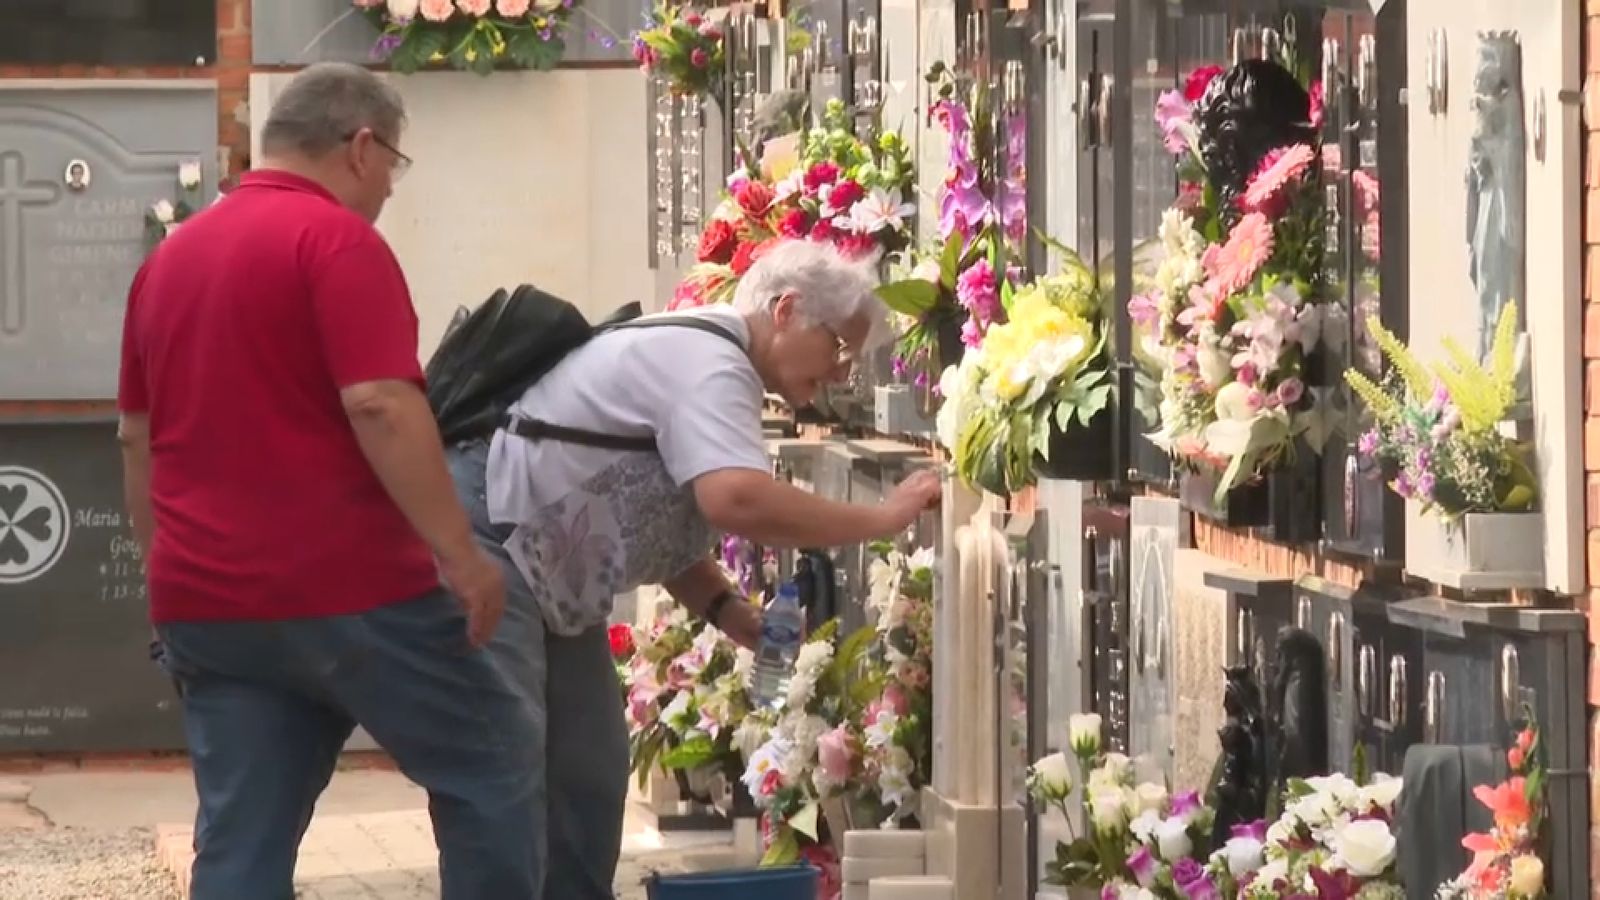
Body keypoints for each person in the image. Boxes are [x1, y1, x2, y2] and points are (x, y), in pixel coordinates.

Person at [117, 63, 544, 900]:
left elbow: (136, 437)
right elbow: (380, 402)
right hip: (352, 590)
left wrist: (162, 570)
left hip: (208, 603)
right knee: (491, 760)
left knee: (243, 834)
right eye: (393, 165)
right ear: (361, 147)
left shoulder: (168, 261)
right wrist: (460, 555)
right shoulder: (336, 241)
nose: (387, 188)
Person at [446, 238, 943, 899]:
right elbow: (734, 498)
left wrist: (728, 611)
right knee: (507, 774)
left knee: (589, 771)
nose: (841, 372)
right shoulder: (711, 362)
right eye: (838, 347)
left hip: (549, 570)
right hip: (496, 543)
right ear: (786, 310)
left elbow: (658, 511)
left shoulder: (713, 356)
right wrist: (883, 518)